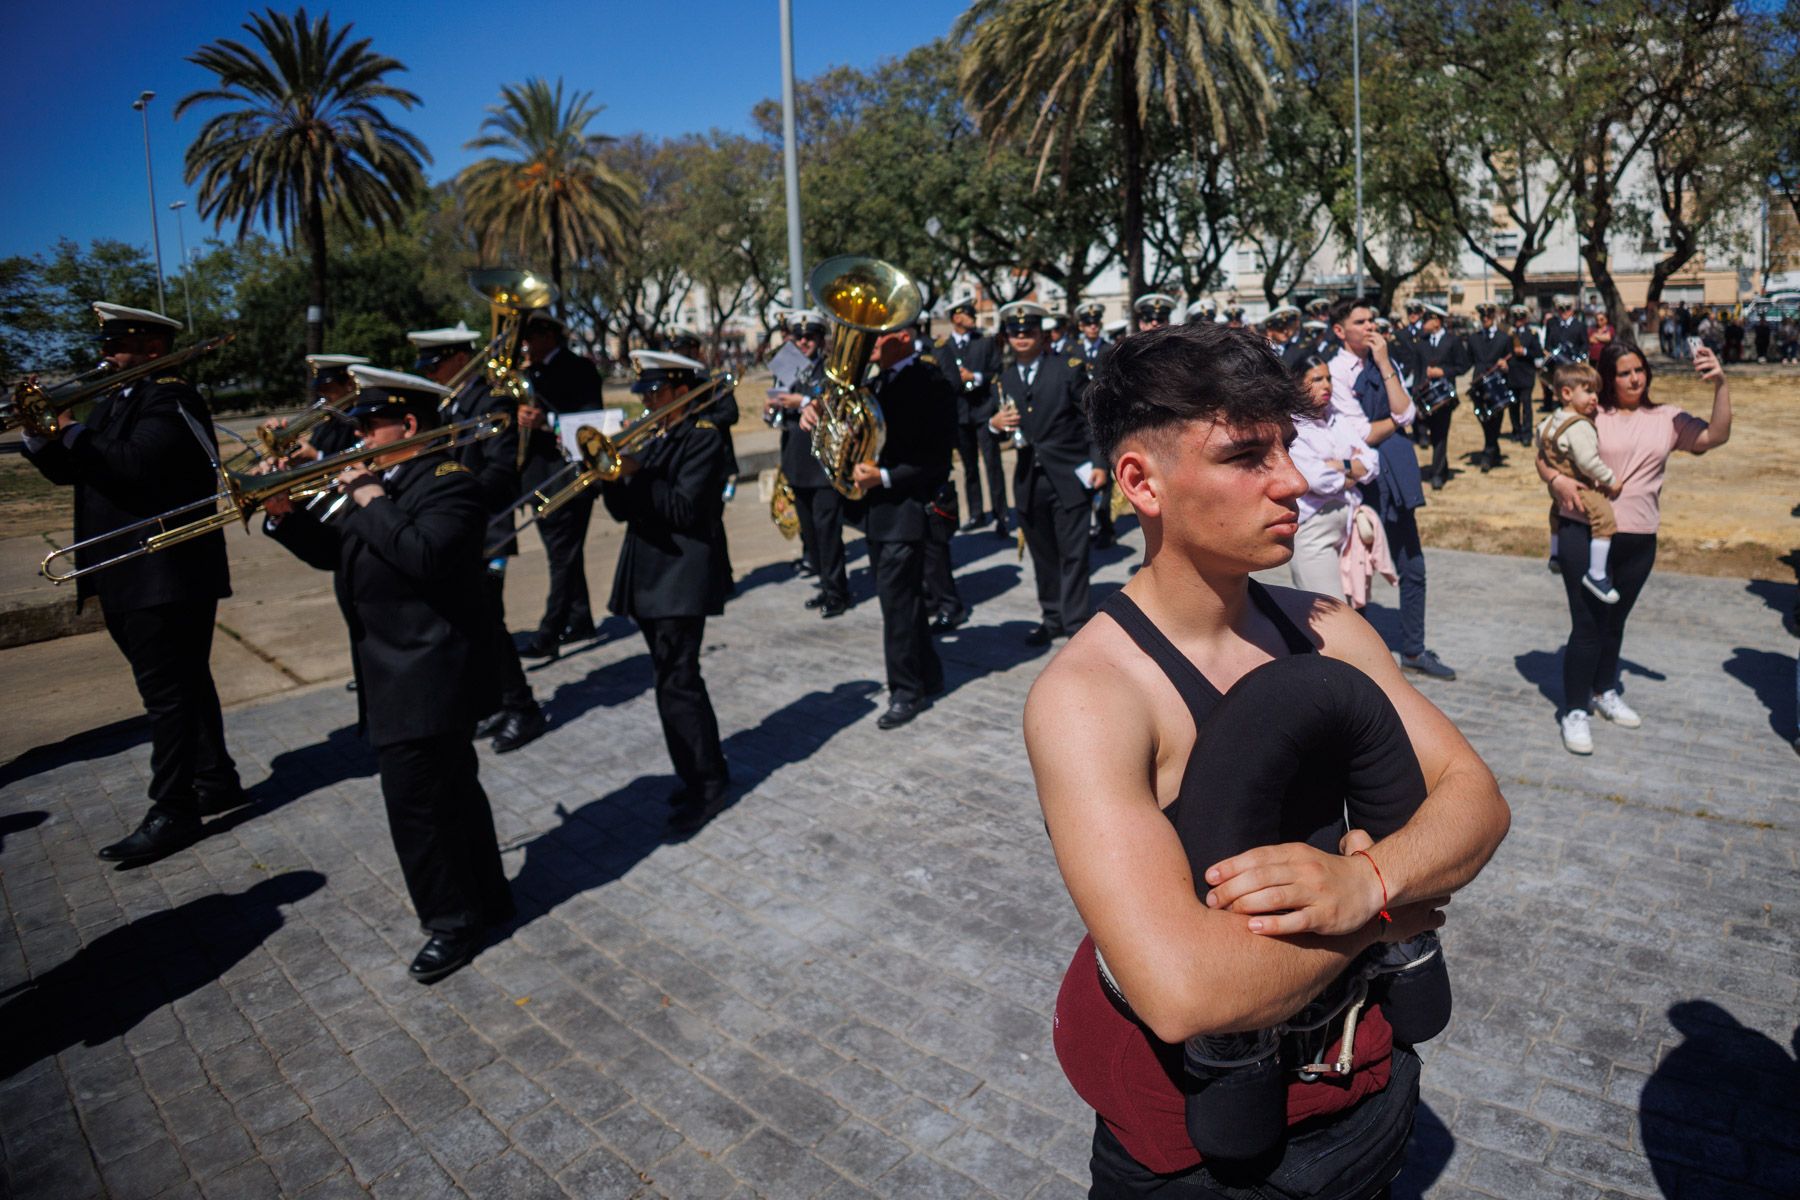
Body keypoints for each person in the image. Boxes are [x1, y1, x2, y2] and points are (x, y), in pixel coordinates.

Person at [1030, 320, 1509, 1196]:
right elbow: (1182, 991)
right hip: (1201, 1156)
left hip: (1369, 1095)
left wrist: (1366, 881)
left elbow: (1476, 800)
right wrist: (1379, 914)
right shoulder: (1091, 697)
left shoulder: (1325, 626)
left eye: (1286, 447)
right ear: (1142, 482)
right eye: (1248, 456)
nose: (1293, 480)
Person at [263, 366, 512, 982]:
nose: (357, 441)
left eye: (368, 426)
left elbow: (422, 555)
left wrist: (368, 494)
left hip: (428, 670)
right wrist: (283, 514)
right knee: (453, 790)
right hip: (395, 665)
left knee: (417, 808)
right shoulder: (390, 479)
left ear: (407, 425)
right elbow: (341, 550)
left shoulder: (450, 483)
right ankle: (489, 896)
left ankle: (451, 924)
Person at [24, 302, 243, 866]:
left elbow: (136, 465)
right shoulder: (116, 400)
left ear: (151, 347)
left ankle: (173, 808)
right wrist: (41, 437)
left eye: (116, 345)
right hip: (126, 568)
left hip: (166, 571)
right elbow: (76, 468)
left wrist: (71, 430)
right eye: (105, 344)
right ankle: (215, 779)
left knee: (166, 695)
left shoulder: (170, 398)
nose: (105, 354)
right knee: (184, 683)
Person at [1536, 342, 1732, 755]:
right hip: (1584, 534)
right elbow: (1545, 453)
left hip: (1640, 538)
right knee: (1588, 625)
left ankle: (1605, 690)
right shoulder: (1592, 413)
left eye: (1639, 370)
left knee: (1614, 623)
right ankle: (1574, 710)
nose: (1635, 379)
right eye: (1624, 372)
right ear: (1607, 377)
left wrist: (1720, 386)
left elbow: (1715, 436)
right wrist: (1555, 481)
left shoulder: (1666, 418)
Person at [601, 351, 734, 835]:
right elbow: (624, 511)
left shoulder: (703, 438)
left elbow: (683, 510)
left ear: (681, 391)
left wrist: (636, 473)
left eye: (656, 392)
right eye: (645, 394)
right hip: (649, 574)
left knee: (679, 682)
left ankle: (708, 783)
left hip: (682, 577)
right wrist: (611, 477)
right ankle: (695, 771)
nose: (648, 402)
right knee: (669, 682)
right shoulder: (655, 436)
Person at [408, 322, 547, 754]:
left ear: (455, 359)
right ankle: (497, 702)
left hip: (486, 530)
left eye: (434, 365)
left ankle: (522, 708)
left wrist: (455, 502)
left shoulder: (490, 402)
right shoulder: (453, 404)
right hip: (462, 529)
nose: (430, 375)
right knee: (476, 624)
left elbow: (502, 472)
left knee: (489, 622)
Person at [1328, 299, 1457, 682]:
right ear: (1340, 331)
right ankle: (1354, 658)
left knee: (1412, 566)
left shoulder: (1386, 359)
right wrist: (1393, 421)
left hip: (1396, 477)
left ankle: (1413, 649)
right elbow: (1362, 434)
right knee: (1356, 572)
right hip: (1360, 483)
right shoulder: (1335, 372)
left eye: (1373, 320)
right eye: (1360, 321)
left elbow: (1409, 412)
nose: (1371, 327)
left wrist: (1385, 366)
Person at [840, 330, 956, 729]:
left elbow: (937, 460)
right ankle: (930, 674)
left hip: (906, 512)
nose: (866, 338)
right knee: (903, 601)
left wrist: (884, 477)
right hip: (879, 514)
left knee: (896, 604)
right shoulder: (874, 382)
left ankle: (906, 691)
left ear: (904, 335)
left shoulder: (931, 383)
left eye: (878, 332)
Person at [988, 300, 1104, 646]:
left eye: (1029, 331)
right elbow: (999, 427)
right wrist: (994, 426)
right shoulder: (1005, 377)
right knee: (1042, 554)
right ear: (1008, 336)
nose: (1021, 337)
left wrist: (1100, 463)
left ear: (1042, 334)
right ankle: (1051, 617)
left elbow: (1092, 421)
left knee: (1073, 552)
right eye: (1015, 332)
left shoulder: (1067, 368)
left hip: (1069, 474)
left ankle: (1075, 621)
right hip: (1028, 479)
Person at [519, 313, 603, 657]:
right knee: (565, 553)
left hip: (568, 476)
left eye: (531, 337)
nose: (525, 345)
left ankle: (550, 631)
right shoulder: (528, 374)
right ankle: (580, 619)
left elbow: (592, 421)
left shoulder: (578, 368)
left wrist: (546, 421)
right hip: (538, 476)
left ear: (549, 337)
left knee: (561, 556)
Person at [771, 312, 850, 615]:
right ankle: (824, 584)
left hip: (822, 461)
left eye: (810, 336)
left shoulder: (830, 369)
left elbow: (835, 406)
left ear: (820, 339)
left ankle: (837, 591)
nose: (803, 342)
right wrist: (772, 407)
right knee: (810, 533)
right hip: (795, 457)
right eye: (799, 336)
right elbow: (777, 414)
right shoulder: (787, 366)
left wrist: (801, 402)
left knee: (828, 530)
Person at [1287, 354, 1378, 600]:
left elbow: (1372, 462)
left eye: (1328, 378)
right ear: (1297, 384)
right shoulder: (1293, 426)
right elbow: (1316, 480)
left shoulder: (1336, 418)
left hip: (1348, 528)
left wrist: (1339, 465)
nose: (1326, 385)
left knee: (1352, 610)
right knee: (1328, 611)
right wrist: (1353, 471)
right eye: (1317, 379)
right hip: (1314, 533)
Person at [1535, 362, 1622, 603]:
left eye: (1595, 392)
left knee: (1555, 514)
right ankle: (1596, 573)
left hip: (1556, 490)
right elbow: (1588, 462)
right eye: (1589, 391)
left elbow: (1539, 443)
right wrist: (1611, 481)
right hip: (1578, 486)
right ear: (1566, 393)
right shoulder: (1580, 426)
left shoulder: (1550, 421)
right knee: (1603, 518)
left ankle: (1554, 555)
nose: (1595, 398)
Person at [935, 299, 1007, 537]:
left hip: (984, 412)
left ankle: (1000, 515)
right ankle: (976, 514)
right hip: (961, 415)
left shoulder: (984, 343)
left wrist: (975, 377)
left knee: (993, 465)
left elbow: (997, 372)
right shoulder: (943, 346)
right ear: (956, 318)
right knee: (969, 468)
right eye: (967, 314)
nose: (972, 317)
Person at [1412, 304, 1468, 491]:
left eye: (1426, 319)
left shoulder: (1452, 341)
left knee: (1440, 434)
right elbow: (1418, 369)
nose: (1423, 323)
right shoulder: (1421, 342)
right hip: (1424, 396)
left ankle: (1437, 474)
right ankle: (1441, 467)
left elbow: (1462, 366)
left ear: (1437, 321)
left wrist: (1443, 371)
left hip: (1444, 397)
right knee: (1428, 433)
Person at [1466, 304, 1511, 472]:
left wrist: (1505, 365)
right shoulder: (1473, 338)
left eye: (1488, 316)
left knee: (1496, 419)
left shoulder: (1504, 338)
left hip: (1497, 385)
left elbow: (1511, 361)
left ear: (1494, 317)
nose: (1485, 319)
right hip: (1478, 385)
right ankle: (1494, 449)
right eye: (1482, 316)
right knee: (1483, 417)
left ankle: (1488, 452)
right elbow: (1467, 361)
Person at [1505, 304, 1543, 446]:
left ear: (1526, 319)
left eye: (1521, 318)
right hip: (1512, 374)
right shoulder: (1508, 334)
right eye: (1516, 318)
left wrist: (1526, 352)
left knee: (1526, 404)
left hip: (1526, 373)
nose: (1518, 320)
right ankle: (1516, 431)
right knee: (1513, 405)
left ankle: (1527, 433)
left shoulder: (1532, 334)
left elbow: (1538, 353)